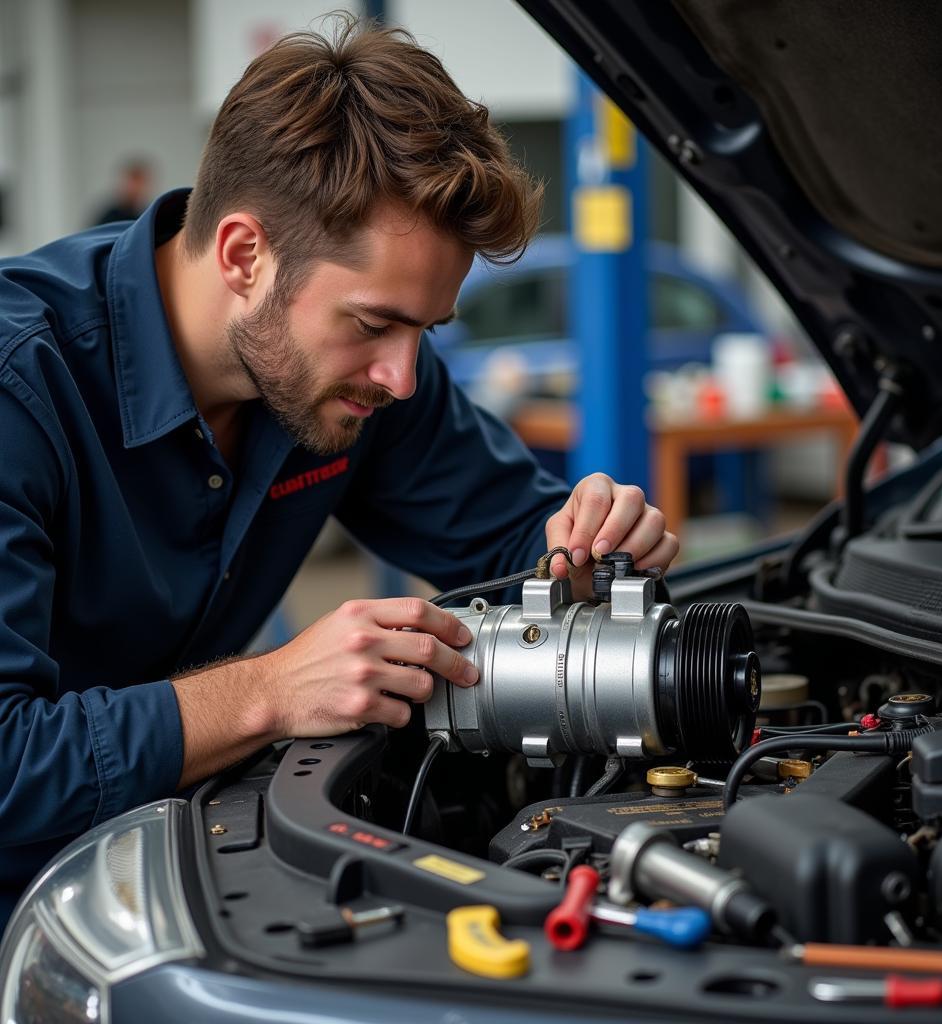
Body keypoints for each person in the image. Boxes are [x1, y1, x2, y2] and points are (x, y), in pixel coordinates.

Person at [0, 18, 677, 930]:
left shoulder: (364, 382)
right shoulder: (20, 393)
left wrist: (585, 546)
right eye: (372, 324)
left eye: (425, 331)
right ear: (245, 255)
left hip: (176, 870)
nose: (401, 376)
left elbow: (517, 545)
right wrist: (270, 690)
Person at [90, 156, 154, 225]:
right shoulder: (109, 217)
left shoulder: (148, 215)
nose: (136, 188)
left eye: (140, 182)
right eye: (133, 181)